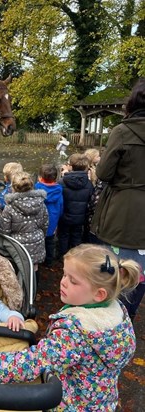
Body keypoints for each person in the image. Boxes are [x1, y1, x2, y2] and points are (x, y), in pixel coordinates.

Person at [0, 243, 139, 411]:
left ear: (99, 294)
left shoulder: (74, 333)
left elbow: (37, 361)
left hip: (72, 404)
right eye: (64, 274)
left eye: (73, 281)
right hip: (103, 401)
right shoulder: (119, 315)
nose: (63, 282)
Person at [91, 78, 145, 321]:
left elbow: (103, 173)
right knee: (140, 270)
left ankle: (108, 317)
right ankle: (129, 316)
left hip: (123, 213)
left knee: (113, 265)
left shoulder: (122, 132)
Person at [0, 172, 48, 274]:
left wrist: (6, 244)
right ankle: (33, 287)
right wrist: (41, 235)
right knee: (34, 269)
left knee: (18, 269)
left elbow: (5, 230)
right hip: (36, 242)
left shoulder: (9, 207)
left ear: (13, 187)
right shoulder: (40, 203)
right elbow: (45, 223)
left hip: (17, 245)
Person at [57, 153, 93, 257]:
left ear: (70, 166)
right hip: (80, 217)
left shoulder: (62, 182)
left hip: (64, 216)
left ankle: (63, 255)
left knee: (63, 235)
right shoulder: (89, 184)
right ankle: (76, 256)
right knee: (77, 236)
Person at [34, 164, 63, 267]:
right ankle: (49, 261)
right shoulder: (58, 190)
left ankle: (39, 259)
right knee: (50, 241)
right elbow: (60, 205)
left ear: (40, 178)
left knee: (39, 241)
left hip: (40, 220)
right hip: (52, 219)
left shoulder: (37, 188)